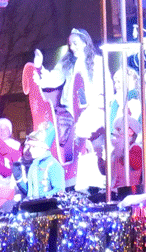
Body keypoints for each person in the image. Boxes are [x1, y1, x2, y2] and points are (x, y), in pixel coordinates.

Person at [33, 28, 111, 167]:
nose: (72, 47)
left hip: (93, 108)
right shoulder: (68, 62)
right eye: (70, 44)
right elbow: (54, 78)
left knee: (84, 129)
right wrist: (39, 69)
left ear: (85, 43)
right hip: (69, 109)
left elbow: (106, 85)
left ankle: (88, 163)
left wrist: (101, 101)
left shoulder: (97, 62)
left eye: (75, 43)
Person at [24, 123, 65, 199]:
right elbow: (30, 191)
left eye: (33, 147)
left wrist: (39, 199)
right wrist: (19, 180)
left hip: (48, 208)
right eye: (30, 147)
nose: (30, 150)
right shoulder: (33, 165)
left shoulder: (53, 165)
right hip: (33, 207)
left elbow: (59, 190)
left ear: (43, 148)